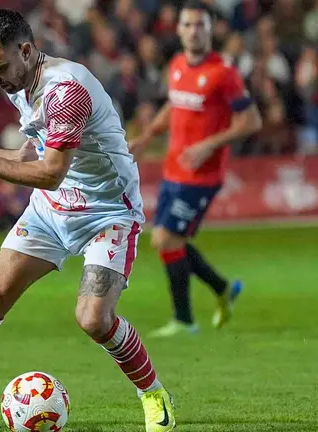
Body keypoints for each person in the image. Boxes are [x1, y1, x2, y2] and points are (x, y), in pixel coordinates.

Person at [0, 8, 176, 432]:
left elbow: (51, 172)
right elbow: (27, 154)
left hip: (107, 212)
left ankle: (153, 393)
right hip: (51, 211)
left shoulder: (66, 89)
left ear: (26, 50)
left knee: (93, 319)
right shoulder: (18, 82)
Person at [129, 0, 262, 337]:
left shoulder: (224, 73)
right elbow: (174, 107)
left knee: (164, 239)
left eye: (200, 25)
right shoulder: (176, 65)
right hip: (175, 167)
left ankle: (185, 320)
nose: (193, 31)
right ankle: (221, 288)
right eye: (187, 25)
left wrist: (209, 144)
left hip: (203, 175)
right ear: (179, 30)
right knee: (170, 241)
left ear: (211, 29)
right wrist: (146, 137)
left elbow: (251, 120)